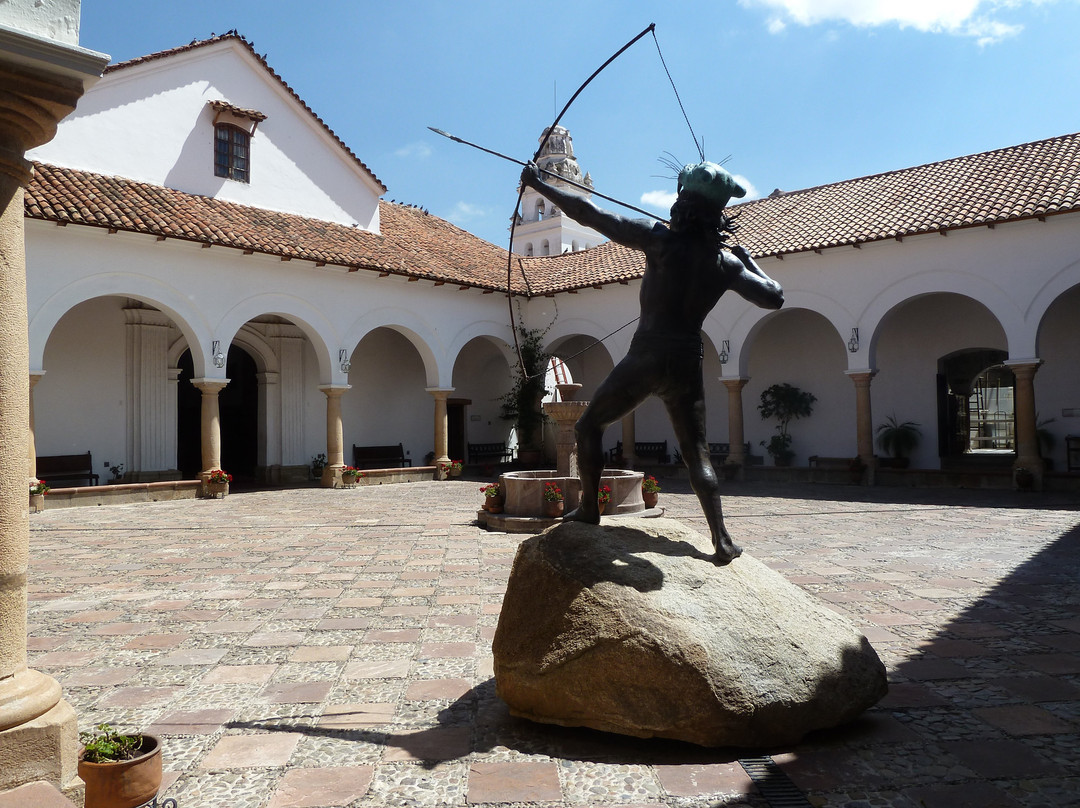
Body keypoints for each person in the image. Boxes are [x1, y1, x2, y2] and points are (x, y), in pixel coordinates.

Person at [520, 159, 784, 563]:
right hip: (687, 360)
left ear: (682, 206)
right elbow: (773, 296)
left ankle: (590, 509)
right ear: (716, 215)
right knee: (697, 453)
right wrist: (747, 259)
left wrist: (542, 185)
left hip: (647, 354)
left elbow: (590, 214)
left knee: (590, 425)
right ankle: (722, 539)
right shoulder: (726, 264)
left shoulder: (661, 240)